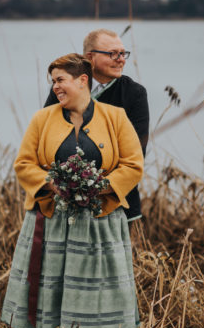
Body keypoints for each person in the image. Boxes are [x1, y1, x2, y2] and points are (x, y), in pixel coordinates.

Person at [1, 53, 144, 328]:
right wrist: (51, 183)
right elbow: (23, 163)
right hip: (51, 220)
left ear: (82, 80)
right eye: (53, 81)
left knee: (98, 292)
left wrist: (100, 187)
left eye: (60, 80)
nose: (55, 87)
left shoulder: (116, 117)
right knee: (47, 291)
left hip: (100, 223)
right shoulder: (42, 118)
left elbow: (133, 165)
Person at [45, 29, 149, 224]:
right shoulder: (63, 88)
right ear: (90, 58)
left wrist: (94, 187)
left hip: (117, 204)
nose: (121, 59)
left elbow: (137, 154)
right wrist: (64, 184)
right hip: (63, 204)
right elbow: (47, 140)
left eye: (123, 53)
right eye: (112, 54)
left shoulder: (134, 94)